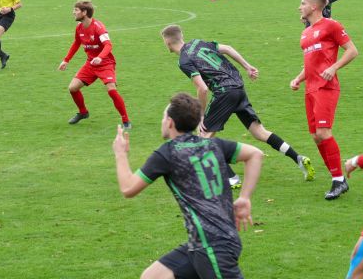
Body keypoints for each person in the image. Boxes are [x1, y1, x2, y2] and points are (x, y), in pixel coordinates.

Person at [112, 92, 263, 279]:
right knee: (153, 276)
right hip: (201, 243)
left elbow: (128, 188)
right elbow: (255, 154)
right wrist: (244, 197)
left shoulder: (168, 153)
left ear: (170, 122)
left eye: (163, 117)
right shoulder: (213, 144)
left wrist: (120, 154)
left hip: (213, 246)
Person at [161, 25, 315, 188]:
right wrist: (247, 66)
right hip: (238, 87)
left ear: (167, 42)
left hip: (224, 92)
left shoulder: (184, 60)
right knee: (259, 132)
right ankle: (298, 158)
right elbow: (227, 48)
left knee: (203, 138)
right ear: (181, 36)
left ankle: (232, 178)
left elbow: (202, 88)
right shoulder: (197, 43)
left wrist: (200, 116)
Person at [290, 0, 358, 200]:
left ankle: (338, 180)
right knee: (315, 136)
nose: (299, 7)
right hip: (310, 88)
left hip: (326, 87)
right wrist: (298, 78)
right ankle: (338, 177)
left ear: (313, 7)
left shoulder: (331, 25)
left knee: (323, 132)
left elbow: (352, 51)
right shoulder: (306, 32)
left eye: (303, 4)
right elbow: (311, 62)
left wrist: (334, 67)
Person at [58, 0, 131, 127]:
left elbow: (108, 45)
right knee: (72, 88)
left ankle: (126, 120)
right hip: (90, 64)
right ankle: (83, 112)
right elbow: (76, 43)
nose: (73, 12)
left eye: (76, 10)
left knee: (112, 90)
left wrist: (100, 57)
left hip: (105, 63)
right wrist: (66, 60)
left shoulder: (98, 27)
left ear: (84, 12)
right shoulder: (79, 28)